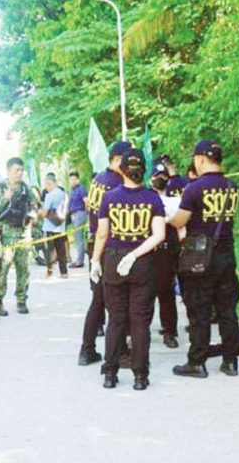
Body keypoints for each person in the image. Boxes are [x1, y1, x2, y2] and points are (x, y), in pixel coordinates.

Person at [90, 148, 166, 390]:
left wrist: (94, 261)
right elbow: (159, 235)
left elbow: (102, 234)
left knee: (116, 319)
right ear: (143, 170)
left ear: (121, 168)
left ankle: (110, 374)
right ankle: (140, 376)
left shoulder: (109, 197)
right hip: (142, 261)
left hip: (113, 260)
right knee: (140, 321)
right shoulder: (153, 198)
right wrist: (135, 254)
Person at [170, 140, 239, 379]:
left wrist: (168, 216)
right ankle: (230, 361)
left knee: (199, 310)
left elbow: (180, 221)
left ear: (200, 159)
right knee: (227, 310)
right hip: (227, 256)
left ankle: (197, 362)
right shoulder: (233, 187)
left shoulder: (194, 189)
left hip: (200, 258)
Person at [77, 141, 129, 366]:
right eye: (128, 160)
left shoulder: (98, 179)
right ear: (117, 159)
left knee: (98, 300)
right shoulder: (116, 183)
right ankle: (120, 352)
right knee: (116, 302)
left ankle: (87, 349)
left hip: (95, 246)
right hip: (108, 247)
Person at [0, 157, 39, 315]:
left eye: (21, 170)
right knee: (2, 270)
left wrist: (33, 212)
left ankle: (21, 300)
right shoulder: (0, 187)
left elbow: (34, 204)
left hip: (24, 234)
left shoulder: (26, 188)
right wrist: (6, 198)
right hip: (6, 234)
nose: (19, 173)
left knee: (24, 269)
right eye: (16, 170)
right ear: (8, 171)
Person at [150, 161, 180, 348]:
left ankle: (170, 331)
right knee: (143, 295)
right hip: (147, 252)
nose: (160, 180)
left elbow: (179, 223)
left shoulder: (175, 200)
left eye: (163, 177)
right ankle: (137, 332)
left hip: (167, 251)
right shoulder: (145, 199)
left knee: (166, 293)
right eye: (157, 177)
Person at [39, 172, 68, 278]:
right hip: (60, 227)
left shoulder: (49, 195)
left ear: (49, 183)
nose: (46, 187)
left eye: (46, 184)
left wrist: (39, 213)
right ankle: (64, 272)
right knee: (61, 251)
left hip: (49, 227)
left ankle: (50, 272)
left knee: (49, 251)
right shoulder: (64, 194)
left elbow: (45, 213)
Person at [68, 171, 88, 268]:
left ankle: (80, 261)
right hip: (73, 215)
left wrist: (87, 214)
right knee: (77, 238)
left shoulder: (81, 188)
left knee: (79, 239)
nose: (72, 181)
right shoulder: (71, 190)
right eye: (71, 179)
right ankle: (79, 259)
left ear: (78, 179)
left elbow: (86, 201)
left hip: (80, 214)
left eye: (74, 179)